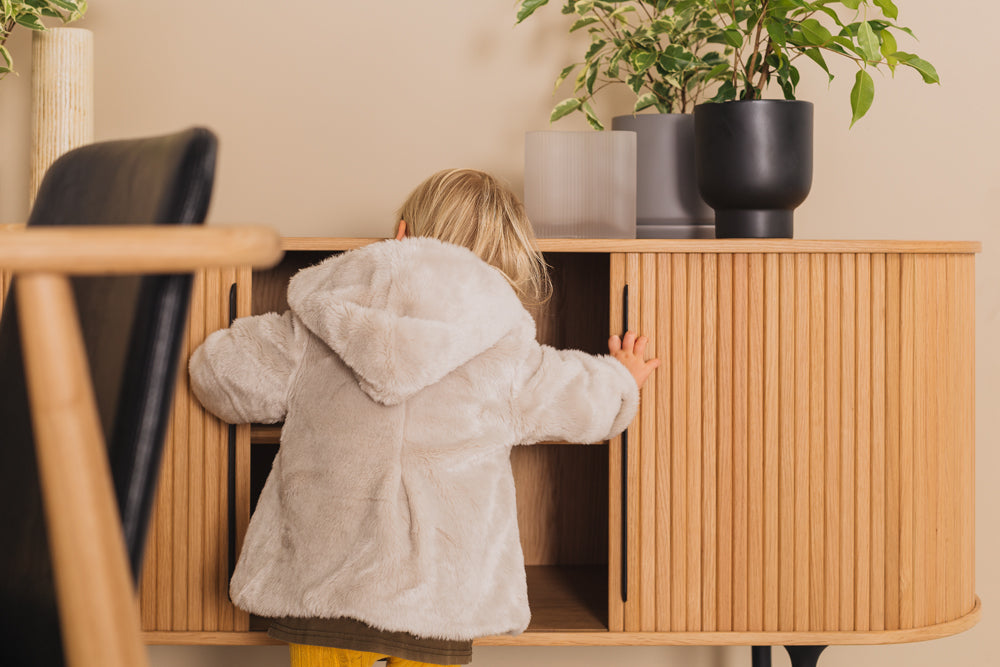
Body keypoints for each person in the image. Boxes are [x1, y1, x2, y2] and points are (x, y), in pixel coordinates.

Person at [188, 168, 659, 667]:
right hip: (438, 600)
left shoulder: (315, 322)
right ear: (506, 260)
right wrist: (621, 378)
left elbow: (221, 378)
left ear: (403, 233)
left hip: (320, 594)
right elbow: (581, 401)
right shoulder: (504, 350)